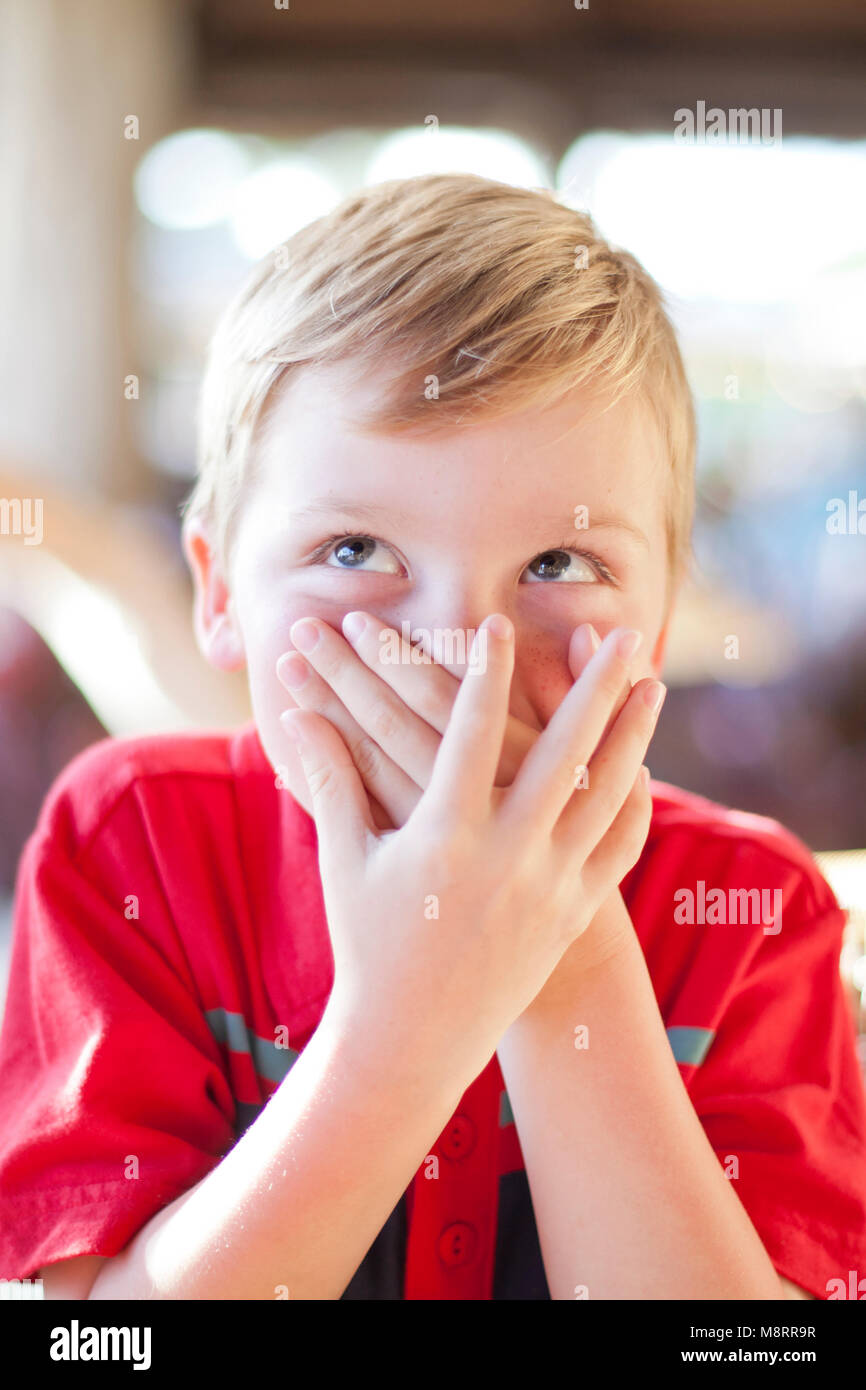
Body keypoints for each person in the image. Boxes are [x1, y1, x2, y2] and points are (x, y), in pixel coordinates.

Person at [1, 173, 864, 1300]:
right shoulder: (133, 846)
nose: (460, 651)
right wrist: (403, 1030)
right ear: (217, 593)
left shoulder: (749, 912)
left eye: (556, 565)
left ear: (655, 627)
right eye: (356, 549)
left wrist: (563, 963)